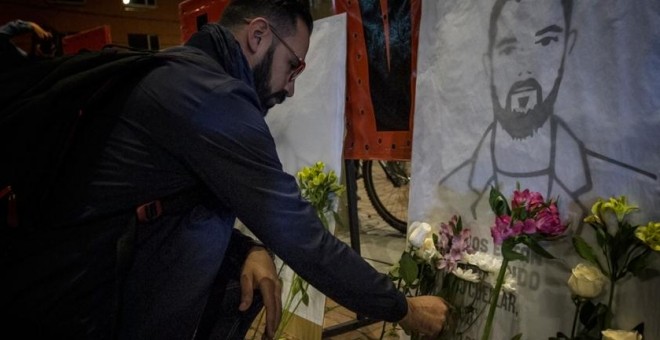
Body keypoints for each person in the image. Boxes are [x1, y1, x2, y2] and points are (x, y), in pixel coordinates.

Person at [1, 0, 448, 339]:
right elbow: (301, 237)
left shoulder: (185, 72)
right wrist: (404, 309)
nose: (291, 88)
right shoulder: (211, 96)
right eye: (294, 66)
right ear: (257, 36)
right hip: (79, 305)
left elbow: (166, 204)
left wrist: (245, 250)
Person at [438, 0, 657, 219]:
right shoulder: (448, 190)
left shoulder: (625, 186)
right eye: (508, 48)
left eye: (546, 42)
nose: (525, 71)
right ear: (489, 66)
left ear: (567, 49)